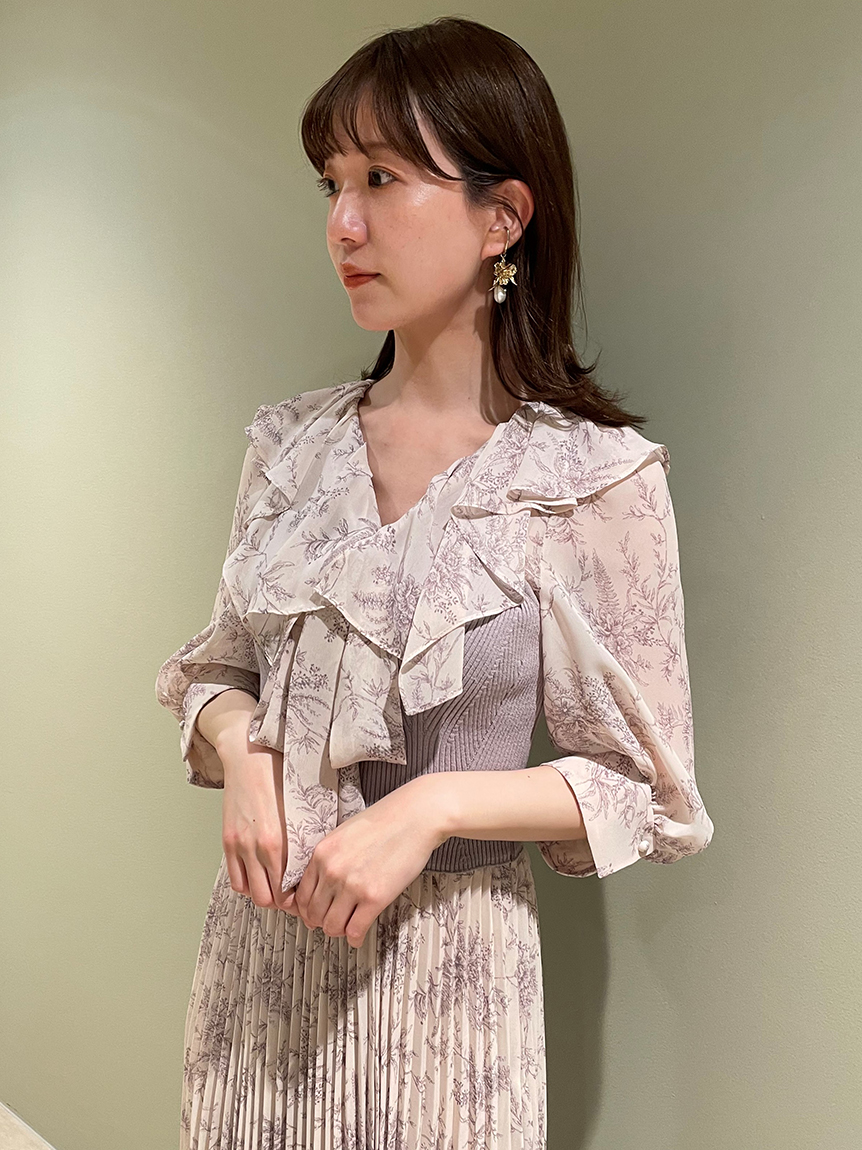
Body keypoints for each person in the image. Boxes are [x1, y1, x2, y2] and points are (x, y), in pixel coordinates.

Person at [155, 16, 714, 1149]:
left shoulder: (591, 480)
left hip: (451, 988)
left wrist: (433, 804)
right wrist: (244, 748)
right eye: (330, 183)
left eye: (380, 179)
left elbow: (646, 789)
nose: (342, 223)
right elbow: (216, 670)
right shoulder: (291, 448)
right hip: (262, 973)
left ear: (502, 216)